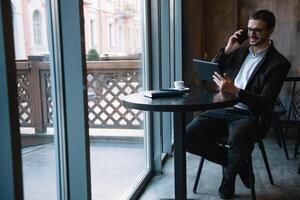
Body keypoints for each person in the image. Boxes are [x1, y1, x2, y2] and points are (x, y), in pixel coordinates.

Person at [186, 9, 291, 199]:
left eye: (258, 30)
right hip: (221, 108)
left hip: (249, 114)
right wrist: (227, 50)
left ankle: (227, 182)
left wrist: (237, 91)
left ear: (270, 31)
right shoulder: (240, 50)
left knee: (239, 138)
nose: (252, 34)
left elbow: (266, 103)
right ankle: (239, 163)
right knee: (185, 138)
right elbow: (210, 74)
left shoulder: (279, 63)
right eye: (249, 29)